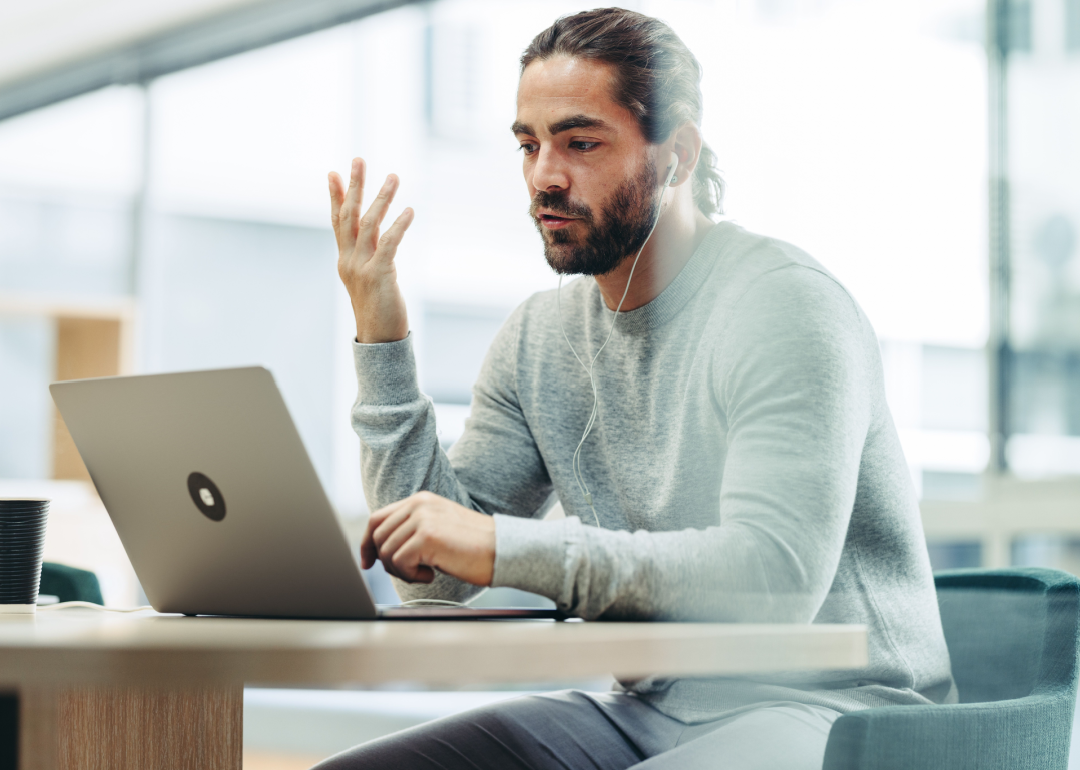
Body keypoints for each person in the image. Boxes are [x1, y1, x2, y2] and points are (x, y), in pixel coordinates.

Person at [317, 7, 956, 769]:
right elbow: (433, 584)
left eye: (581, 143)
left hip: (841, 712)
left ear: (677, 155)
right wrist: (380, 333)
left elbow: (771, 578)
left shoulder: (785, 306)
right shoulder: (540, 337)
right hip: (648, 712)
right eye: (529, 145)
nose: (544, 176)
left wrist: (500, 546)